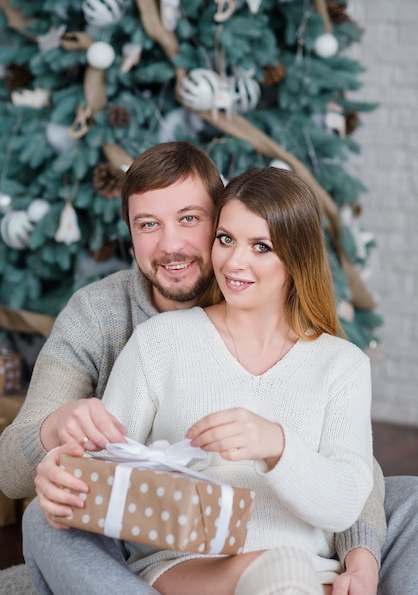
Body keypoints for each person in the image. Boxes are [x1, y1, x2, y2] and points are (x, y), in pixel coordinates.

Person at [0, 140, 415, 594]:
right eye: (148, 224)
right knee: (46, 517)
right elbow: (51, 469)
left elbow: (354, 477)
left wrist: (362, 557)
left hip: (298, 553)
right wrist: (60, 448)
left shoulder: (337, 361)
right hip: (174, 556)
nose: (171, 243)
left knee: (408, 500)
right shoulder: (126, 328)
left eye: (190, 219)